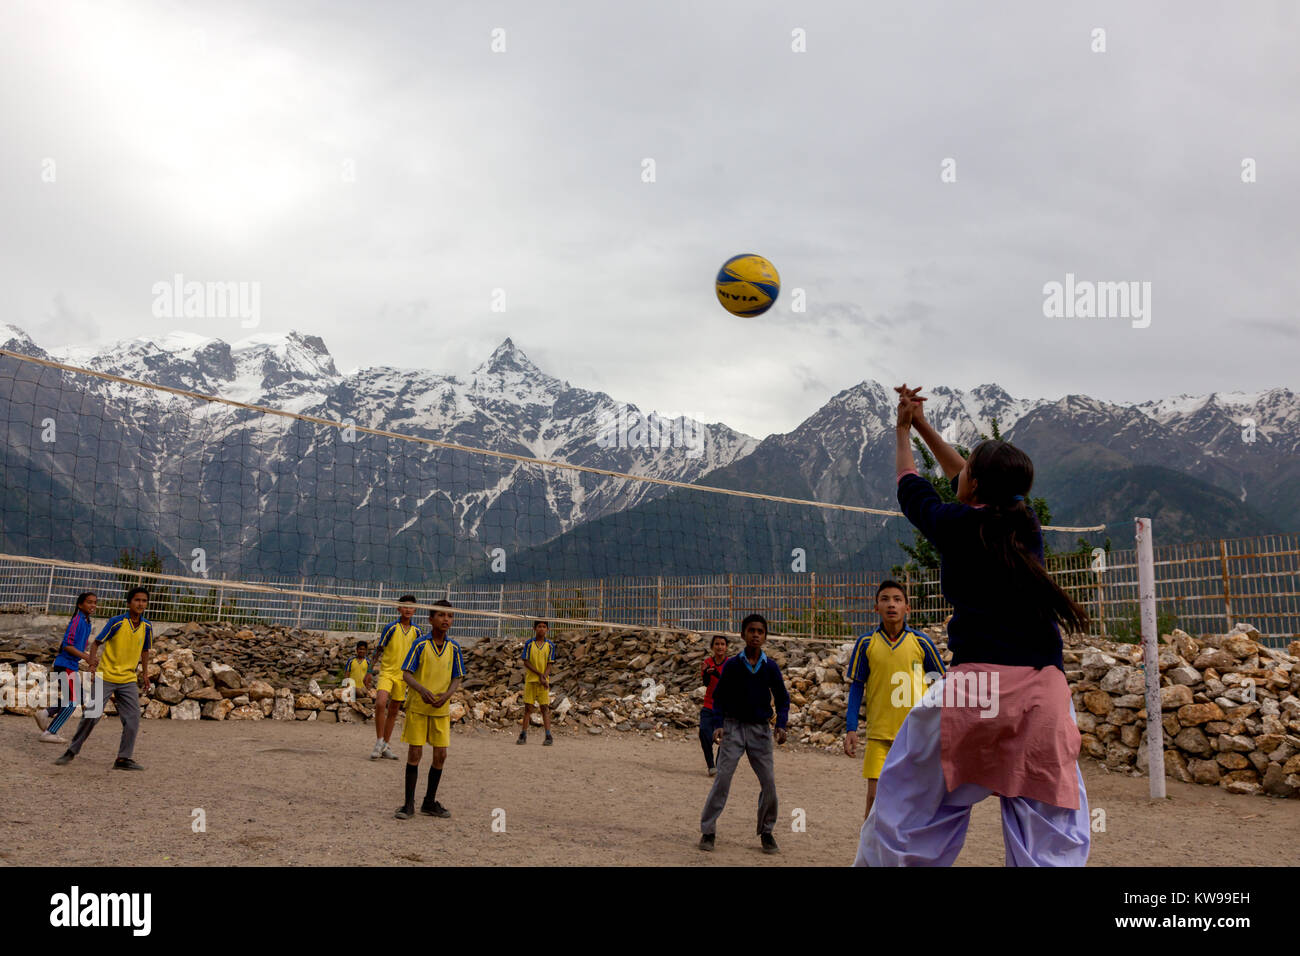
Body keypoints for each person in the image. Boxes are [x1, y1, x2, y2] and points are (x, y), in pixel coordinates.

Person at [853, 385, 1091, 867]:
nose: (959, 473)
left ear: (976, 487)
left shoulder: (951, 522)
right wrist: (922, 425)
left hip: (974, 690)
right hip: (1044, 694)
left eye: (968, 471)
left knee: (907, 805)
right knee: (1050, 832)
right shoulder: (1024, 522)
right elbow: (965, 473)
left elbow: (907, 481)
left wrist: (904, 429)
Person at [843, 581, 946, 819]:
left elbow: (942, 684)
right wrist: (851, 728)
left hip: (915, 736)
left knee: (916, 799)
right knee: (875, 799)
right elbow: (857, 687)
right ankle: (871, 854)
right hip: (879, 737)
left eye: (897, 599)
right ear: (876, 607)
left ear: (907, 608)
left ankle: (910, 853)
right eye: (885, 599)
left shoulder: (921, 643)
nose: (891, 604)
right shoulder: (866, 643)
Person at [699, 614, 790, 855]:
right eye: (751, 631)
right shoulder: (733, 665)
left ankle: (767, 831)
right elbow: (719, 697)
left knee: (769, 783)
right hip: (734, 727)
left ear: (765, 636)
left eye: (760, 631)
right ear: (743, 635)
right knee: (723, 779)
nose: (756, 635)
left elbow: (782, 698)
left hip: (760, 730)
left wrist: (781, 723)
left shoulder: (770, 667)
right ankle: (708, 830)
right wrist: (718, 724)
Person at [54, 586, 153, 771]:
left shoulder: (147, 626)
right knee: (92, 715)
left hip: (128, 678)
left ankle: (123, 759)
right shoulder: (117, 622)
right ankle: (72, 751)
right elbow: (97, 642)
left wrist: (145, 674)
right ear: (129, 602)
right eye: (137, 600)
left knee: (133, 718)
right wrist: (92, 664)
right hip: (106, 676)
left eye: (144, 601)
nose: (141, 604)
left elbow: (145, 650)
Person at [395, 600, 465, 820]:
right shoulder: (420, 644)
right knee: (415, 753)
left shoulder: (453, 647)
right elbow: (406, 673)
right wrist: (421, 690)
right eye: (441, 615)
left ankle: (429, 802)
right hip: (419, 706)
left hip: (440, 709)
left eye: (450, 616)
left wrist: (447, 695)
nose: (446, 619)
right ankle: (408, 804)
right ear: (430, 619)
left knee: (441, 755)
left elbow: (457, 676)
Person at [36, 591, 97, 743]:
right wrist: (87, 658)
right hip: (65, 665)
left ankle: (45, 713)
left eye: (95, 602)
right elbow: (67, 646)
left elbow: (77, 646)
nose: (93, 605)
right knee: (73, 700)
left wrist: (89, 659)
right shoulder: (77, 621)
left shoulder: (86, 622)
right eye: (89, 602)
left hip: (70, 666)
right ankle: (50, 732)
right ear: (80, 605)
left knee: (79, 696)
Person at [370, 597, 421, 760]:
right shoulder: (391, 628)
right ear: (399, 609)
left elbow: (418, 656)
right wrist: (369, 670)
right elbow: (379, 649)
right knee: (380, 703)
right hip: (387, 672)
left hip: (403, 676)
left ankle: (385, 745)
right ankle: (379, 741)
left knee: (393, 711)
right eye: (404, 607)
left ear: (415, 610)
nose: (407, 610)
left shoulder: (417, 632)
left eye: (411, 607)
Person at [517, 620, 555, 746]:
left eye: (544, 627)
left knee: (544, 708)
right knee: (528, 708)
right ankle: (523, 735)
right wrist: (540, 675)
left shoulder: (550, 645)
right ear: (534, 628)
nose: (541, 629)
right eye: (539, 626)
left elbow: (550, 663)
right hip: (531, 680)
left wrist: (544, 677)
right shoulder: (529, 644)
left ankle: (548, 735)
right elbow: (526, 662)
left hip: (543, 682)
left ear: (547, 629)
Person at [698, 634, 729, 775]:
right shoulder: (707, 662)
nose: (720, 647)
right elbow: (705, 683)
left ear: (726, 647)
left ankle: (719, 765)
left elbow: (728, 684)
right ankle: (711, 765)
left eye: (722, 644)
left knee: (725, 737)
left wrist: (716, 674)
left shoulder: (730, 664)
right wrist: (706, 673)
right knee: (704, 732)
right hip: (709, 704)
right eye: (717, 644)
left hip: (725, 708)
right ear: (712, 647)